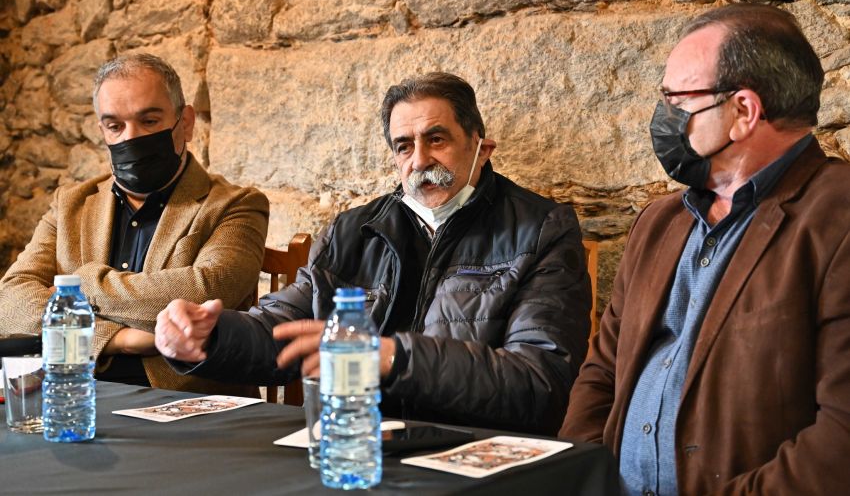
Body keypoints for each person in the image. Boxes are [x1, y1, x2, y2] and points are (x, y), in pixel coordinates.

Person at [155, 72, 591, 435]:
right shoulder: (353, 231)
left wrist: (394, 358)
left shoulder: (541, 230)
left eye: (437, 139)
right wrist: (211, 336)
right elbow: (288, 326)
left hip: (471, 451)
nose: (419, 160)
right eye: (404, 146)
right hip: (356, 441)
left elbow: (540, 383)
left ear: (481, 149)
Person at [560, 4, 850, 494]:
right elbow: (603, 370)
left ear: (743, 111)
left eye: (678, 99)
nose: (664, 115)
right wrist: (585, 478)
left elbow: (840, 438)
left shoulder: (837, 216)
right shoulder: (657, 223)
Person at [0, 54, 269, 395]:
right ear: (102, 131)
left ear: (185, 122)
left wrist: (80, 287)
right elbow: (9, 302)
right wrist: (120, 339)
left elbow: (204, 291)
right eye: (115, 126)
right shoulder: (71, 204)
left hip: (188, 401)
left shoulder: (236, 205)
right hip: (78, 395)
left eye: (149, 120)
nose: (132, 137)